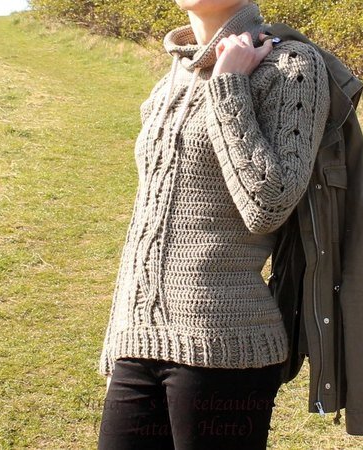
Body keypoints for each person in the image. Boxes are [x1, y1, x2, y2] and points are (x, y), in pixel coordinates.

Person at [96, 0, 331, 448]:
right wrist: (119, 339)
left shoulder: (291, 66)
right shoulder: (172, 79)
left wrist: (228, 84)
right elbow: (148, 221)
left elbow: (269, 204)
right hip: (138, 345)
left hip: (225, 347)